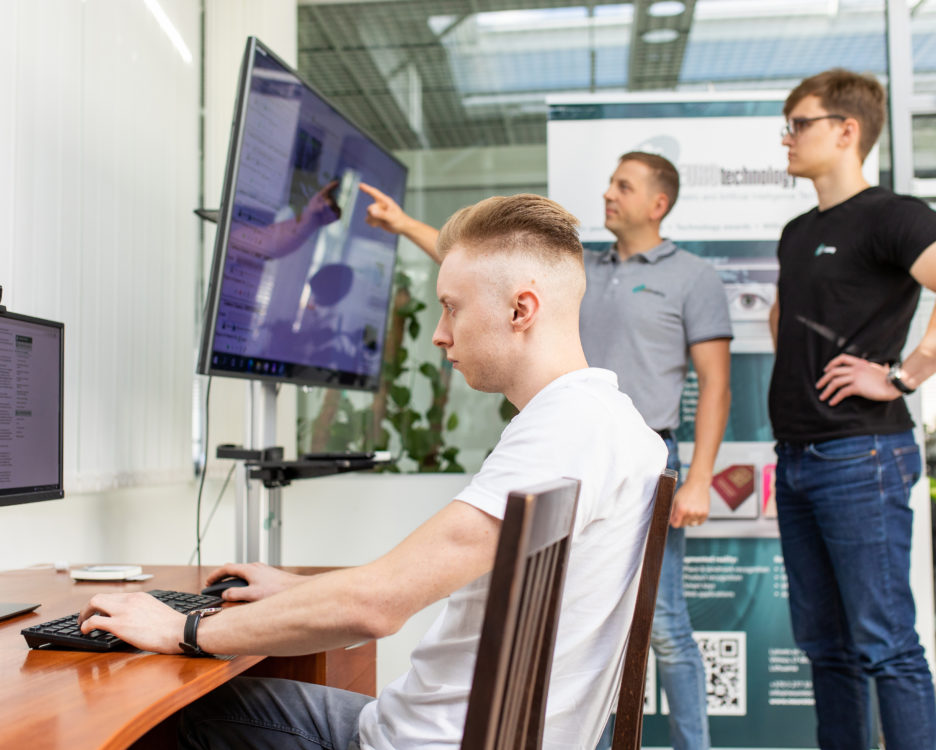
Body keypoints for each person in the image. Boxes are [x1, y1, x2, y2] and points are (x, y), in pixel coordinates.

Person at [78, 194, 668, 750]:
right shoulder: (616, 427)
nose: (439, 334)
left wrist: (182, 630)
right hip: (442, 734)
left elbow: (377, 606)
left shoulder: (564, 431)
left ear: (521, 309)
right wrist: (300, 591)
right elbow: (426, 578)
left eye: (452, 307)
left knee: (169, 712)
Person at [360, 151, 732, 750]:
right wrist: (404, 226)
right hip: (571, 446)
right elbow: (491, 278)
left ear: (658, 204)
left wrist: (700, 477)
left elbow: (716, 382)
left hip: (638, 451)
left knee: (662, 627)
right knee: (575, 626)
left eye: (624, 186)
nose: (609, 193)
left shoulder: (692, 277)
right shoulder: (583, 269)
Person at [769, 68, 936, 749]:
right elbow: (786, 318)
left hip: (861, 455)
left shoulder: (894, 216)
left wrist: (902, 376)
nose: (787, 138)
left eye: (799, 123)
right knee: (825, 648)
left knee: (885, 644)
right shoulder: (796, 231)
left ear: (846, 130)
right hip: (796, 459)